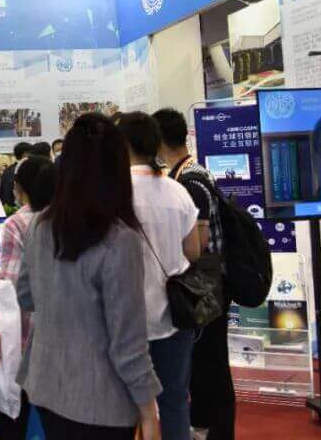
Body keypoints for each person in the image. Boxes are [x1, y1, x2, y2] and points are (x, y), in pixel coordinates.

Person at [16, 112, 160, 440]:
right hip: (101, 400)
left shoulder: (39, 224)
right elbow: (128, 345)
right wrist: (149, 410)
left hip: (48, 385)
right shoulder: (119, 240)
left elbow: (25, 295)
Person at [116, 112, 201, 440]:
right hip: (173, 317)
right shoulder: (177, 191)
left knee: (123, 407)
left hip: (124, 320)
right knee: (175, 400)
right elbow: (193, 251)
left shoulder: (112, 193)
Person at [153, 108, 234, 440]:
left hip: (205, 285)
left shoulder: (189, 181)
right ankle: (204, 427)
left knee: (212, 365)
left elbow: (197, 246)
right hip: (207, 282)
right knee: (205, 364)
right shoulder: (192, 173)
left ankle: (218, 432)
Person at [0, 154, 55, 440]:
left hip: (25, 336)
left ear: (20, 188)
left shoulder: (17, 224)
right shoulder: (70, 218)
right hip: (65, 335)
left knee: (13, 418)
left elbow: (12, 284)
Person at [0, 141, 32, 207]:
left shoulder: (7, 170)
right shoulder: (25, 169)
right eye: (31, 153)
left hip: (7, 208)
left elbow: (1, 193)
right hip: (20, 208)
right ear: (25, 154)